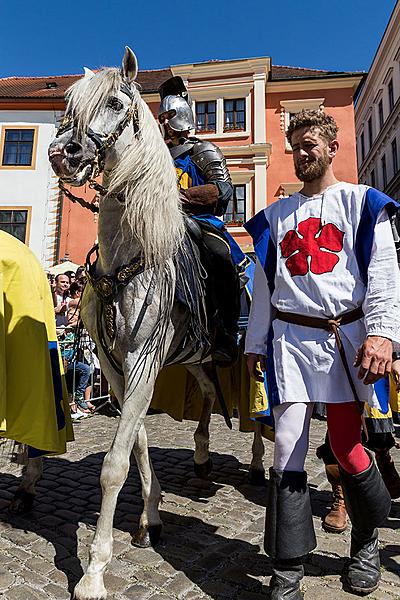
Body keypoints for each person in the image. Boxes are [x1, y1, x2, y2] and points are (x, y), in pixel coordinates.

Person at [245, 109, 399, 599]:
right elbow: (265, 288)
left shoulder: (362, 203)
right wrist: (254, 342)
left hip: (344, 340)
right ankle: (288, 564)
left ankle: (367, 539)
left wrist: (381, 335)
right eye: (296, 145)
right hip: (291, 340)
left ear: (332, 147)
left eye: (311, 143)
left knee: (347, 447)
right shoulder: (273, 217)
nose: (303, 152)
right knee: (286, 446)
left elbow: (383, 277)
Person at [158, 76, 241, 365]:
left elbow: (222, 189)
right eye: (161, 117)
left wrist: (178, 197)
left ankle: (227, 333)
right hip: (158, 222)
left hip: (200, 222)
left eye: (169, 116)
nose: (165, 123)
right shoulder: (156, 157)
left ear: (182, 116)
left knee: (221, 259)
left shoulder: (202, 150)